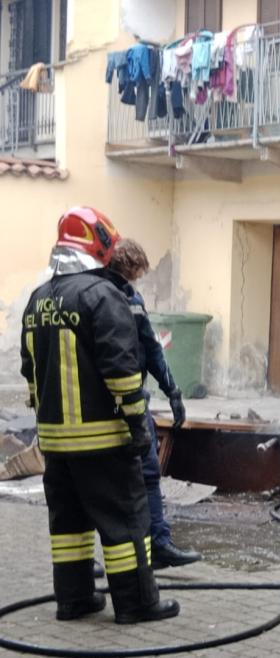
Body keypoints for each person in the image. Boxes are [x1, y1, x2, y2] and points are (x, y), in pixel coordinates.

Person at [20, 207, 180, 624]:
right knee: (126, 522)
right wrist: (137, 425)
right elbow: (122, 370)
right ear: (99, 244)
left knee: (69, 526)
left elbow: (30, 371)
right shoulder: (103, 296)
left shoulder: (38, 300)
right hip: (103, 440)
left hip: (55, 443)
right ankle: (137, 604)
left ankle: (73, 600)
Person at [106, 239, 202, 569]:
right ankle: (137, 549)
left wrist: (172, 391)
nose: (135, 280)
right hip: (112, 406)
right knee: (115, 481)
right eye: (133, 272)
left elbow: (151, 347)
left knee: (147, 475)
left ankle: (157, 543)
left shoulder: (132, 298)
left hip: (134, 401)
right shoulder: (103, 297)